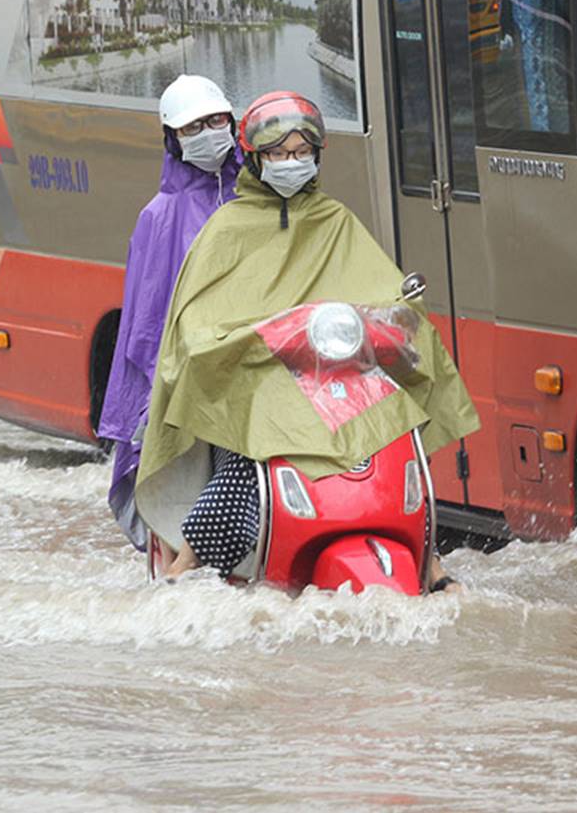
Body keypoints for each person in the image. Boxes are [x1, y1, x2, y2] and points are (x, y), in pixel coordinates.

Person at [133, 91, 480, 591]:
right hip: (259, 382)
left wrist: (397, 317)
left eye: (300, 153)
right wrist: (260, 338)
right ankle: (185, 567)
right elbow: (197, 328)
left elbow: (379, 289)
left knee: (398, 420)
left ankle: (430, 560)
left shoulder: (335, 221)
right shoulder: (226, 230)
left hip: (335, 379)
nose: (290, 163)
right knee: (250, 458)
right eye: (278, 154)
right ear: (254, 158)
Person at [96, 74, 242, 549]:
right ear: (172, 140)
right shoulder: (158, 218)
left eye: (215, 121)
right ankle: (190, 557)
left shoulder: (258, 198)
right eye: (192, 127)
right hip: (193, 380)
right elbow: (146, 322)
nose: (207, 132)